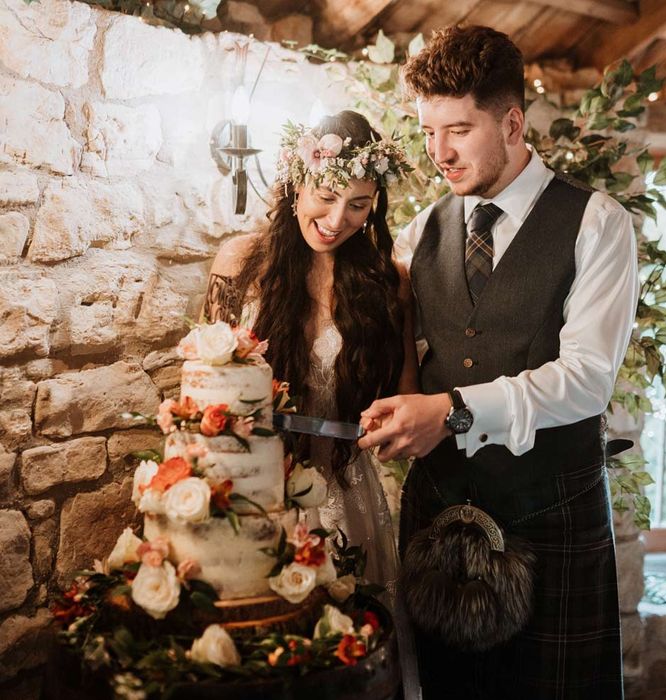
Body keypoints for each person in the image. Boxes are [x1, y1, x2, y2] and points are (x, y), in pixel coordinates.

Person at [358, 25, 638, 699]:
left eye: (458, 130)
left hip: (552, 511)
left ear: (512, 123)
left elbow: (588, 381)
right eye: (427, 132)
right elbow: (406, 356)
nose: (439, 154)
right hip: (438, 510)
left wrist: (452, 410)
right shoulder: (419, 231)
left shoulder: (598, 224)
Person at [202, 110, 421, 695]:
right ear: (295, 179)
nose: (337, 219)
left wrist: (395, 423)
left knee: (346, 664)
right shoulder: (239, 263)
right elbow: (199, 385)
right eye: (326, 196)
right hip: (250, 490)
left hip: (345, 492)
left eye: (359, 205)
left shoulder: (389, 281)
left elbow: (404, 396)